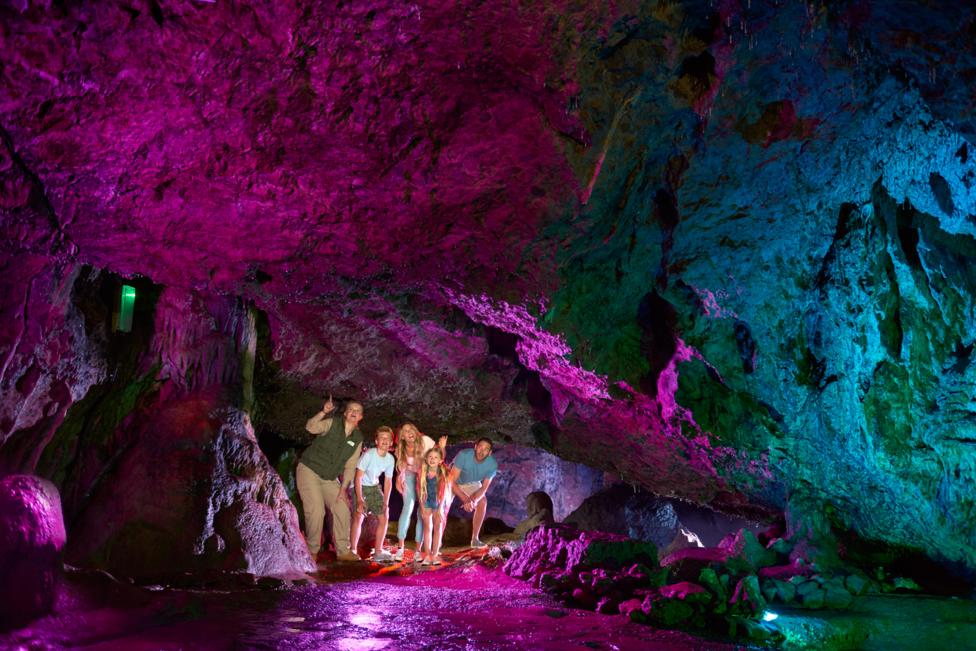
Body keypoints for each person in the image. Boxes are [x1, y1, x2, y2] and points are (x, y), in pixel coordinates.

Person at [297, 395, 363, 562]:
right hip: (309, 470)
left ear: (361, 417)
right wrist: (323, 412)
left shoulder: (357, 439)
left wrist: (343, 489)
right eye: (351, 410)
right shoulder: (332, 423)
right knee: (316, 510)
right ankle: (312, 550)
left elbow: (350, 466)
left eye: (358, 411)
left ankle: (343, 551)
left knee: (342, 507)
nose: (354, 412)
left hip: (329, 478)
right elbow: (310, 427)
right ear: (345, 414)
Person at [394, 423, 447, 561]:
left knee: (422, 513)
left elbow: (439, 456)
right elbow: (401, 467)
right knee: (408, 507)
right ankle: (401, 547)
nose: (409, 432)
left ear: (415, 431)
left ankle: (418, 550)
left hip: (426, 477)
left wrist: (441, 447)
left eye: (411, 429)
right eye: (405, 431)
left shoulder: (425, 441)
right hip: (411, 477)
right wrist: (399, 478)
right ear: (402, 436)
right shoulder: (401, 448)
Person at [350, 426, 396, 562]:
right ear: (376, 441)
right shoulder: (369, 454)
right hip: (360, 486)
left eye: (387, 438)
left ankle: (378, 551)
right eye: (381, 438)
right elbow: (358, 477)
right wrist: (359, 499)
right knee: (359, 516)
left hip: (374, 487)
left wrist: (386, 503)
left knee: (384, 517)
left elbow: (388, 481)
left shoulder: (390, 459)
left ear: (391, 443)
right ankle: (353, 549)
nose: (384, 440)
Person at [442, 437, 498, 548]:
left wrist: (473, 501)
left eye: (486, 449)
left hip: (471, 482)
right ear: (475, 447)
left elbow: (484, 488)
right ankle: (436, 541)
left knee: (482, 502)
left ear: (490, 453)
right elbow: (452, 481)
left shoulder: (492, 465)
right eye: (480, 447)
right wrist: (466, 499)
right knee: (442, 506)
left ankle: (475, 540)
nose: (482, 451)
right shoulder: (464, 455)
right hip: (451, 480)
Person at [417, 447, 450, 565]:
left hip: (438, 501)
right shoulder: (422, 471)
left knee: (437, 527)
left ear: (440, 460)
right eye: (430, 457)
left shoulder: (442, 472)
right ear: (426, 458)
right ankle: (427, 554)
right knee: (427, 527)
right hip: (426, 500)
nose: (432, 459)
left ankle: (435, 554)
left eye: (436, 457)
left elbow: (444, 491)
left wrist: (440, 508)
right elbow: (419, 489)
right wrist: (422, 506)